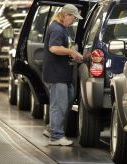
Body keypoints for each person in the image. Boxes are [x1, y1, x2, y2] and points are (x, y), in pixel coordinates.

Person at [42, 4, 83, 146]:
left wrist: (73, 52)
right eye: (73, 18)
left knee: (67, 99)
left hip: (62, 73)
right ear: (66, 15)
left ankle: (51, 128)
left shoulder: (62, 28)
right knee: (59, 104)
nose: (74, 21)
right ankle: (56, 136)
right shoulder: (57, 29)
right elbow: (53, 48)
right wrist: (71, 52)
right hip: (56, 74)